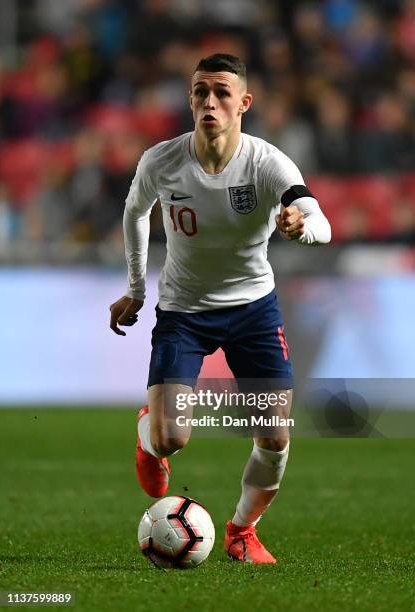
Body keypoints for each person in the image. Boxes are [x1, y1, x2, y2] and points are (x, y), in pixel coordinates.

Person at [109, 54, 331, 564]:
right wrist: (137, 289)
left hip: (253, 309)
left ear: (244, 103)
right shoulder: (161, 161)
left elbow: (320, 219)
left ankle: (241, 531)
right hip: (183, 311)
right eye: (200, 90)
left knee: (275, 435)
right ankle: (149, 434)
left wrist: (304, 229)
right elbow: (134, 213)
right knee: (170, 439)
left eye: (222, 92)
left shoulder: (267, 163)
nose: (210, 100)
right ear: (190, 98)